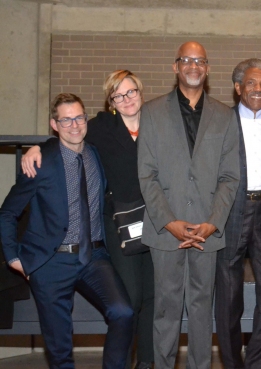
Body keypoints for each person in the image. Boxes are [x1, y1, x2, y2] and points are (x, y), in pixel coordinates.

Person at [22, 70, 155, 369]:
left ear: (141, 92)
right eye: (118, 95)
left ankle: (146, 363)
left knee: (155, 299)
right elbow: (68, 135)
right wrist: (38, 148)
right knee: (130, 301)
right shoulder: (100, 127)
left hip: (158, 222)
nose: (126, 99)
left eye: (131, 92)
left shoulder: (158, 122)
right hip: (120, 225)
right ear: (111, 101)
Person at [0, 93, 134, 368]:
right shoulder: (41, 163)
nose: (74, 125)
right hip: (51, 262)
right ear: (54, 124)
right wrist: (14, 257)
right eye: (66, 119)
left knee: (123, 312)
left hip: (94, 256)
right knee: (60, 348)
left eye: (79, 117)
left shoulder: (95, 154)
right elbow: (8, 213)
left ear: (86, 118)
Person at [137, 41, 240, 369]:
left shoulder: (224, 116)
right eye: (187, 60)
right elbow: (147, 176)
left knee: (201, 311)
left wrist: (213, 222)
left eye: (200, 61)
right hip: (166, 230)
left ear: (207, 69)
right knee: (165, 310)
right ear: (175, 66)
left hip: (207, 230)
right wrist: (169, 221)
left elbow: (230, 177)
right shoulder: (152, 113)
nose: (193, 66)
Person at [214, 58, 261, 369]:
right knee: (229, 301)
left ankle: (254, 364)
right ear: (237, 88)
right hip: (233, 210)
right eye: (251, 83)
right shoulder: (220, 122)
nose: (258, 89)